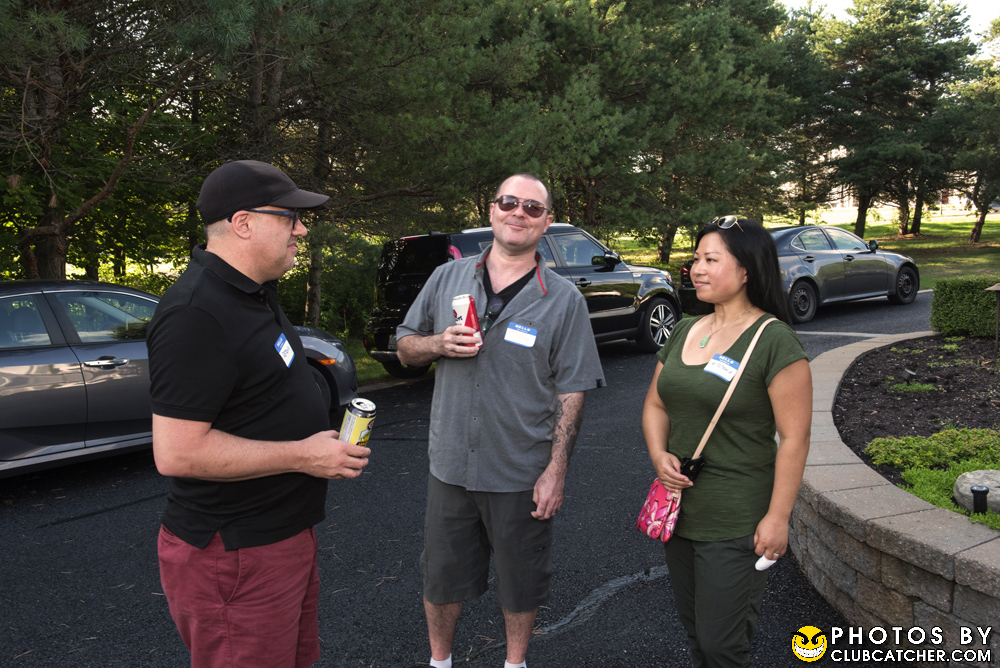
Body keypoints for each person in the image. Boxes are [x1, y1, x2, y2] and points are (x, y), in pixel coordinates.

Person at [147, 160, 371, 668]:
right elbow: (178, 453)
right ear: (243, 223)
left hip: (280, 538)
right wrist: (303, 456)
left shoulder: (252, 292)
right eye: (290, 217)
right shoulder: (195, 314)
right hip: (233, 554)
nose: (302, 229)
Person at [396, 173, 605, 668]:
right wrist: (436, 343)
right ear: (491, 210)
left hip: (519, 471)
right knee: (441, 577)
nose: (519, 213)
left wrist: (556, 471)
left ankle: (515, 663)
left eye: (533, 208)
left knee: (521, 582)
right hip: (450, 466)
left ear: (546, 223)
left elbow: (572, 390)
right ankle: (440, 662)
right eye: (509, 202)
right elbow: (405, 346)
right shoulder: (447, 278)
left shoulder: (563, 299)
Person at [641, 216, 812, 668]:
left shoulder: (774, 341)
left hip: (737, 517)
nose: (696, 268)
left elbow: (795, 437)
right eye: (696, 258)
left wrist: (778, 518)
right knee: (698, 634)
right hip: (679, 511)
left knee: (722, 645)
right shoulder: (685, 329)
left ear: (746, 270)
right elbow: (656, 404)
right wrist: (658, 454)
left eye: (711, 260)